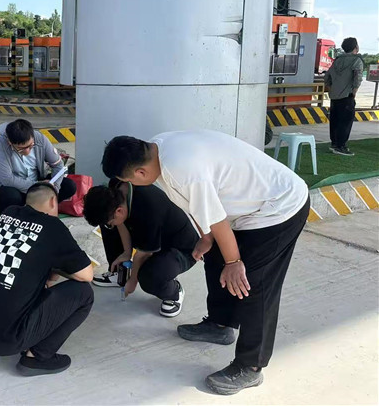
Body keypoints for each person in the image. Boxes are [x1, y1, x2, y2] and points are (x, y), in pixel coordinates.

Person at [102, 130, 309, 395]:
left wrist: (234, 261)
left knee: (254, 284)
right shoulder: (158, 150)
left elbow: (216, 218)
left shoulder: (182, 169)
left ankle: (250, 366)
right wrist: (207, 238)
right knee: (214, 257)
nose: (132, 185)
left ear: (140, 173)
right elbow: (201, 207)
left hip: (279, 207)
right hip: (247, 210)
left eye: (129, 180)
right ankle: (220, 325)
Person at [0, 183, 94, 376]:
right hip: (6, 340)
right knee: (84, 293)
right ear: (52, 201)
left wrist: (52, 266)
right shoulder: (52, 226)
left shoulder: (8, 214)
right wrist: (59, 265)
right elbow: (86, 275)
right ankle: (37, 357)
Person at [82, 180, 199, 317]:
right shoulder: (116, 187)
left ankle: (174, 292)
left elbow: (142, 255)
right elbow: (121, 222)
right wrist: (126, 253)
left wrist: (133, 282)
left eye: (112, 220)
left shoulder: (148, 211)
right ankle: (120, 274)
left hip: (182, 248)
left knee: (149, 277)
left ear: (119, 210)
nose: (111, 224)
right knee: (108, 223)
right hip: (155, 236)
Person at [0, 119, 76, 213]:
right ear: (10, 142)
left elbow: (58, 165)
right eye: (21, 149)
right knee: (7, 195)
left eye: (30, 146)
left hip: (38, 185)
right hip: (17, 188)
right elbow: (7, 179)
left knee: (69, 185)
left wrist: (54, 188)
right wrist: (37, 185)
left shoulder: (40, 139)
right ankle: (18, 214)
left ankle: (41, 209)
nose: (27, 151)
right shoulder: (1, 145)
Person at [324, 37, 363, 156]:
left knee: (335, 121)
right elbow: (357, 78)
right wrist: (354, 92)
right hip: (347, 96)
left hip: (334, 96)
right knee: (345, 122)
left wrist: (331, 89)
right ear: (356, 47)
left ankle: (334, 143)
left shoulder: (337, 60)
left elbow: (327, 77)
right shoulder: (357, 60)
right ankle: (341, 146)